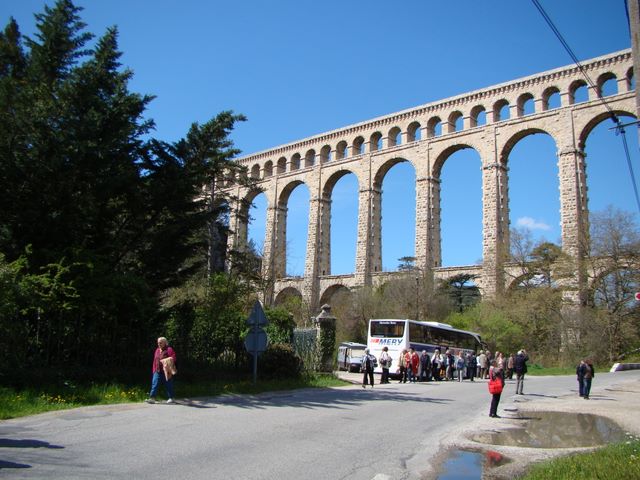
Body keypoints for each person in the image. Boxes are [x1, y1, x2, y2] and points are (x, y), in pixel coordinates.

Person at [146, 336, 177, 404]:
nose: (159, 344)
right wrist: (154, 370)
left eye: (160, 343)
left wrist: (166, 360)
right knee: (155, 383)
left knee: (169, 384)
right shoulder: (157, 350)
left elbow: (173, 358)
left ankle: (171, 398)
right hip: (157, 370)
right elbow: (155, 361)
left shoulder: (169, 349)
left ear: (165, 343)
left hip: (167, 371)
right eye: (158, 343)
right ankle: (152, 398)